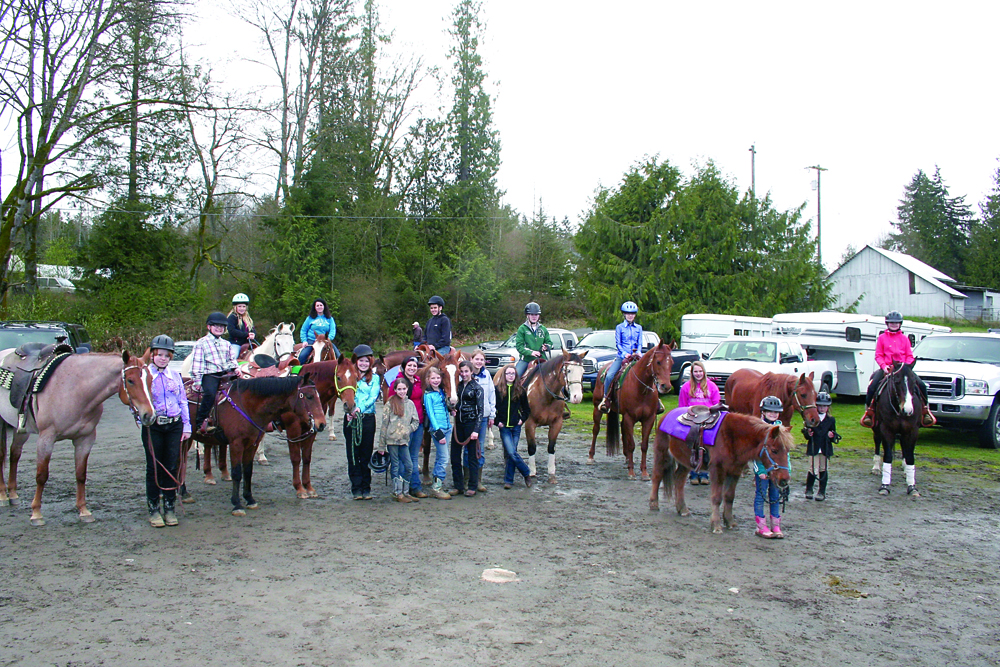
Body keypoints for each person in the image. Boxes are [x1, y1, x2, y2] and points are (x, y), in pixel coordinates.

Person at [142, 335, 191, 527]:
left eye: (166, 355)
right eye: (159, 354)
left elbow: (183, 401)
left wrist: (186, 426)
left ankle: (170, 507)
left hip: (174, 424)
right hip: (154, 425)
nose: (163, 358)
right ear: (152, 355)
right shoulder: (145, 376)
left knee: (172, 465)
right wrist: (140, 418)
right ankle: (154, 509)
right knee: (154, 466)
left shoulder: (175, 376)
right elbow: (137, 400)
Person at [860, 310, 935, 428]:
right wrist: (884, 367)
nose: (894, 325)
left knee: (922, 385)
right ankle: (869, 412)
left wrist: (906, 366)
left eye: (896, 323)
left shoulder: (905, 338)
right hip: (888, 368)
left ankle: (925, 411)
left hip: (903, 369)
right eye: (891, 323)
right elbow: (878, 355)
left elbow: (909, 355)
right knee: (873, 386)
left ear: (900, 324)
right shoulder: (882, 338)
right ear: (887, 324)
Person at [192, 311, 239, 435]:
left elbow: (231, 360)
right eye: (216, 326)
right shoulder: (201, 343)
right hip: (210, 374)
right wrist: (197, 380)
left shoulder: (226, 344)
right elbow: (198, 363)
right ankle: (200, 422)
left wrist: (236, 368)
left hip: (226, 374)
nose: (219, 328)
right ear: (209, 327)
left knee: (241, 389)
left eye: (222, 326)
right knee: (210, 394)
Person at [345, 344, 380, 500]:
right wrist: (349, 411)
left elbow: (373, 397)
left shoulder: (375, 378)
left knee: (365, 454)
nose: (364, 364)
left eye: (366, 361)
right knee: (353, 454)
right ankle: (356, 487)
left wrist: (359, 408)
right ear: (356, 362)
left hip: (367, 418)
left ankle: (366, 487)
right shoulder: (349, 376)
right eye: (361, 361)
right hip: (351, 419)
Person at [678, 360, 721, 486]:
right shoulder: (686, 387)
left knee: (706, 446)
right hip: (692, 418)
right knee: (693, 446)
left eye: (700, 371)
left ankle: (704, 473)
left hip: (707, 418)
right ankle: (693, 474)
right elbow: (682, 405)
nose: (698, 374)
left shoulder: (711, 386)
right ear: (692, 373)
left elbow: (716, 403)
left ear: (704, 372)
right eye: (695, 371)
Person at [379, 377, 421, 503]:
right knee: (395, 466)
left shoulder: (410, 404)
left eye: (404, 389)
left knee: (409, 466)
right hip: (392, 441)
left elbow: (416, 421)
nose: (402, 391)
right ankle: (398, 492)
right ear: (395, 390)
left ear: (407, 389)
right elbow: (384, 425)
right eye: (399, 389)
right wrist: (381, 446)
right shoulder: (390, 404)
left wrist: (408, 429)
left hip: (404, 440)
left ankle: (405, 491)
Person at [598, 301, 643, 413]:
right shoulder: (619, 327)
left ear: (635, 315)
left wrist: (638, 352)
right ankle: (606, 398)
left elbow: (640, 343)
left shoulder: (639, 328)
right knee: (610, 375)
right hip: (622, 357)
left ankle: (656, 399)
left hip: (636, 357)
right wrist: (625, 354)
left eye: (632, 314)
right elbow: (618, 343)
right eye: (628, 313)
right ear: (624, 314)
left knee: (650, 371)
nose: (630, 316)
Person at [494, 364, 533, 489]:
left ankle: (508, 480)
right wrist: (497, 422)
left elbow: (526, 409)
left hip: (516, 427)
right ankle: (526, 472)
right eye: (508, 373)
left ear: (515, 376)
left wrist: (521, 420)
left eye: (512, 374)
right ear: (504, 375)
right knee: (511, 452)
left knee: (512, 453)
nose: (510, 376)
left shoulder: (520, 391)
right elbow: (493, 408)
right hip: (504, 427)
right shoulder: (498, 390)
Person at [753, 395, 784, 539]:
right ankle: (761, 525)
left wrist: (787, 469)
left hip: (777, 469)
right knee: (761, 495)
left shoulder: (781, 428)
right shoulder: (759, 429)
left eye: (775, 412)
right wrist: (760, 470)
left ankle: (775, 524)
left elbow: (785, 453)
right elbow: (754, 453)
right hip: (763, 470)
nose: (773, 414)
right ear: (763, 412)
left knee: (775, 495)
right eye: (769, 411)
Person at [451, 360, 484, 497]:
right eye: (462, 371)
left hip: (471, 424)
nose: (464, 374)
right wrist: (451, 409)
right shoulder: (457, 387)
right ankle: (458, 485)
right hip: (458, 424)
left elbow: (480, 410)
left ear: (471, 372)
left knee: (472, 457)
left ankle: (472, 486)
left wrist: (476, 430)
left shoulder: (477, 388)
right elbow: (452, 403)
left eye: (466, 371)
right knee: (454, 457)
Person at [422, 366, 453, 500]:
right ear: (428, 380)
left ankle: (437, 483)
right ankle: (437, 487)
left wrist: (451, 410)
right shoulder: (428, 395)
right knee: (444, 458)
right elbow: (430, 413)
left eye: (438, 378)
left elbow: (443, 408)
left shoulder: (441, 391)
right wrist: (437, 431)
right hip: (438, 429)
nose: (435, 380)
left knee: (441, 457)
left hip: (447, 427)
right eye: (433, 378)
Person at [399, 357, 428, 498]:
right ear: (404, 367)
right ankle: (401, 489)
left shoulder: (418, 382)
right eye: (409, 365)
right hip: (404, 424)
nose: (412, 368)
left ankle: (415, 487)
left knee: (414, 457)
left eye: (414, 365)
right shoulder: (398, 382)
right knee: (403, 457)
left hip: (418, 423)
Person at [803, 391, 838, 501]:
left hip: (825, 448)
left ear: (828, 407)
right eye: (820, 406)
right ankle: (809, 488)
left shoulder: (831, 420)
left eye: (825, 406)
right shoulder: (812, 418)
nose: (822, 408)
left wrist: (831, 435)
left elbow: (834, 434)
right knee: (813, 469)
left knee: (823, 469)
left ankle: (822, 491)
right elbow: (806, 433)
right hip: (814, 446)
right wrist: (808, 433)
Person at [469, 350, 496, 491]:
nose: (479, 362)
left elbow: (492, 395)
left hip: (483, 416)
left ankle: (478, 480)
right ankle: (468, 479)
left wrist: (492, 414)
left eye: (481, 360)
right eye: (477, 359)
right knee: (468, 449)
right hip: (468, 417)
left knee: (480, 447)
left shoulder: (486, 376)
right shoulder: (465, 374)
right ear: (471, 360)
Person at [514, 302, 554, 377]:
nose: (534, 316)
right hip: (526, 360)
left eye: (536, 314)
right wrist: (531, 352)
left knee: (555, 378)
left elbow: (550, 343)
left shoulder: (543, 329)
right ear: (527, 315)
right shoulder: (522, 329)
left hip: (542, 359)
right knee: (515, 376)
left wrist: (546, 347)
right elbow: (519, 346)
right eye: (532, 314)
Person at [298, 298, 339, 365]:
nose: (319, 307)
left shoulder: (330, 319)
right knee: (302, 356)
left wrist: (329, 338)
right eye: (317, 306)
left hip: (326, 341)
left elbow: (333, 330)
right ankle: (299, 372)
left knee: (339, 357)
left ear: (324, 306)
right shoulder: (310, 318)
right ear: (315, 307)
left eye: (321, 305)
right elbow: (303, 330)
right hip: (312, 340)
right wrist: (304, 341)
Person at [226, 293, 255, 358]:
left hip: (248, 343)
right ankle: (230, 368)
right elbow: (232, 331)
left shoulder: (248, 318)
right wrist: (247, 335)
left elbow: (252, 329)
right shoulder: (232, 317)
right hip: (236, 344)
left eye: (243, 306)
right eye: (239, 306)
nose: (242, 308)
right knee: (233, 357)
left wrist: (253, 334)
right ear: (235, 307)